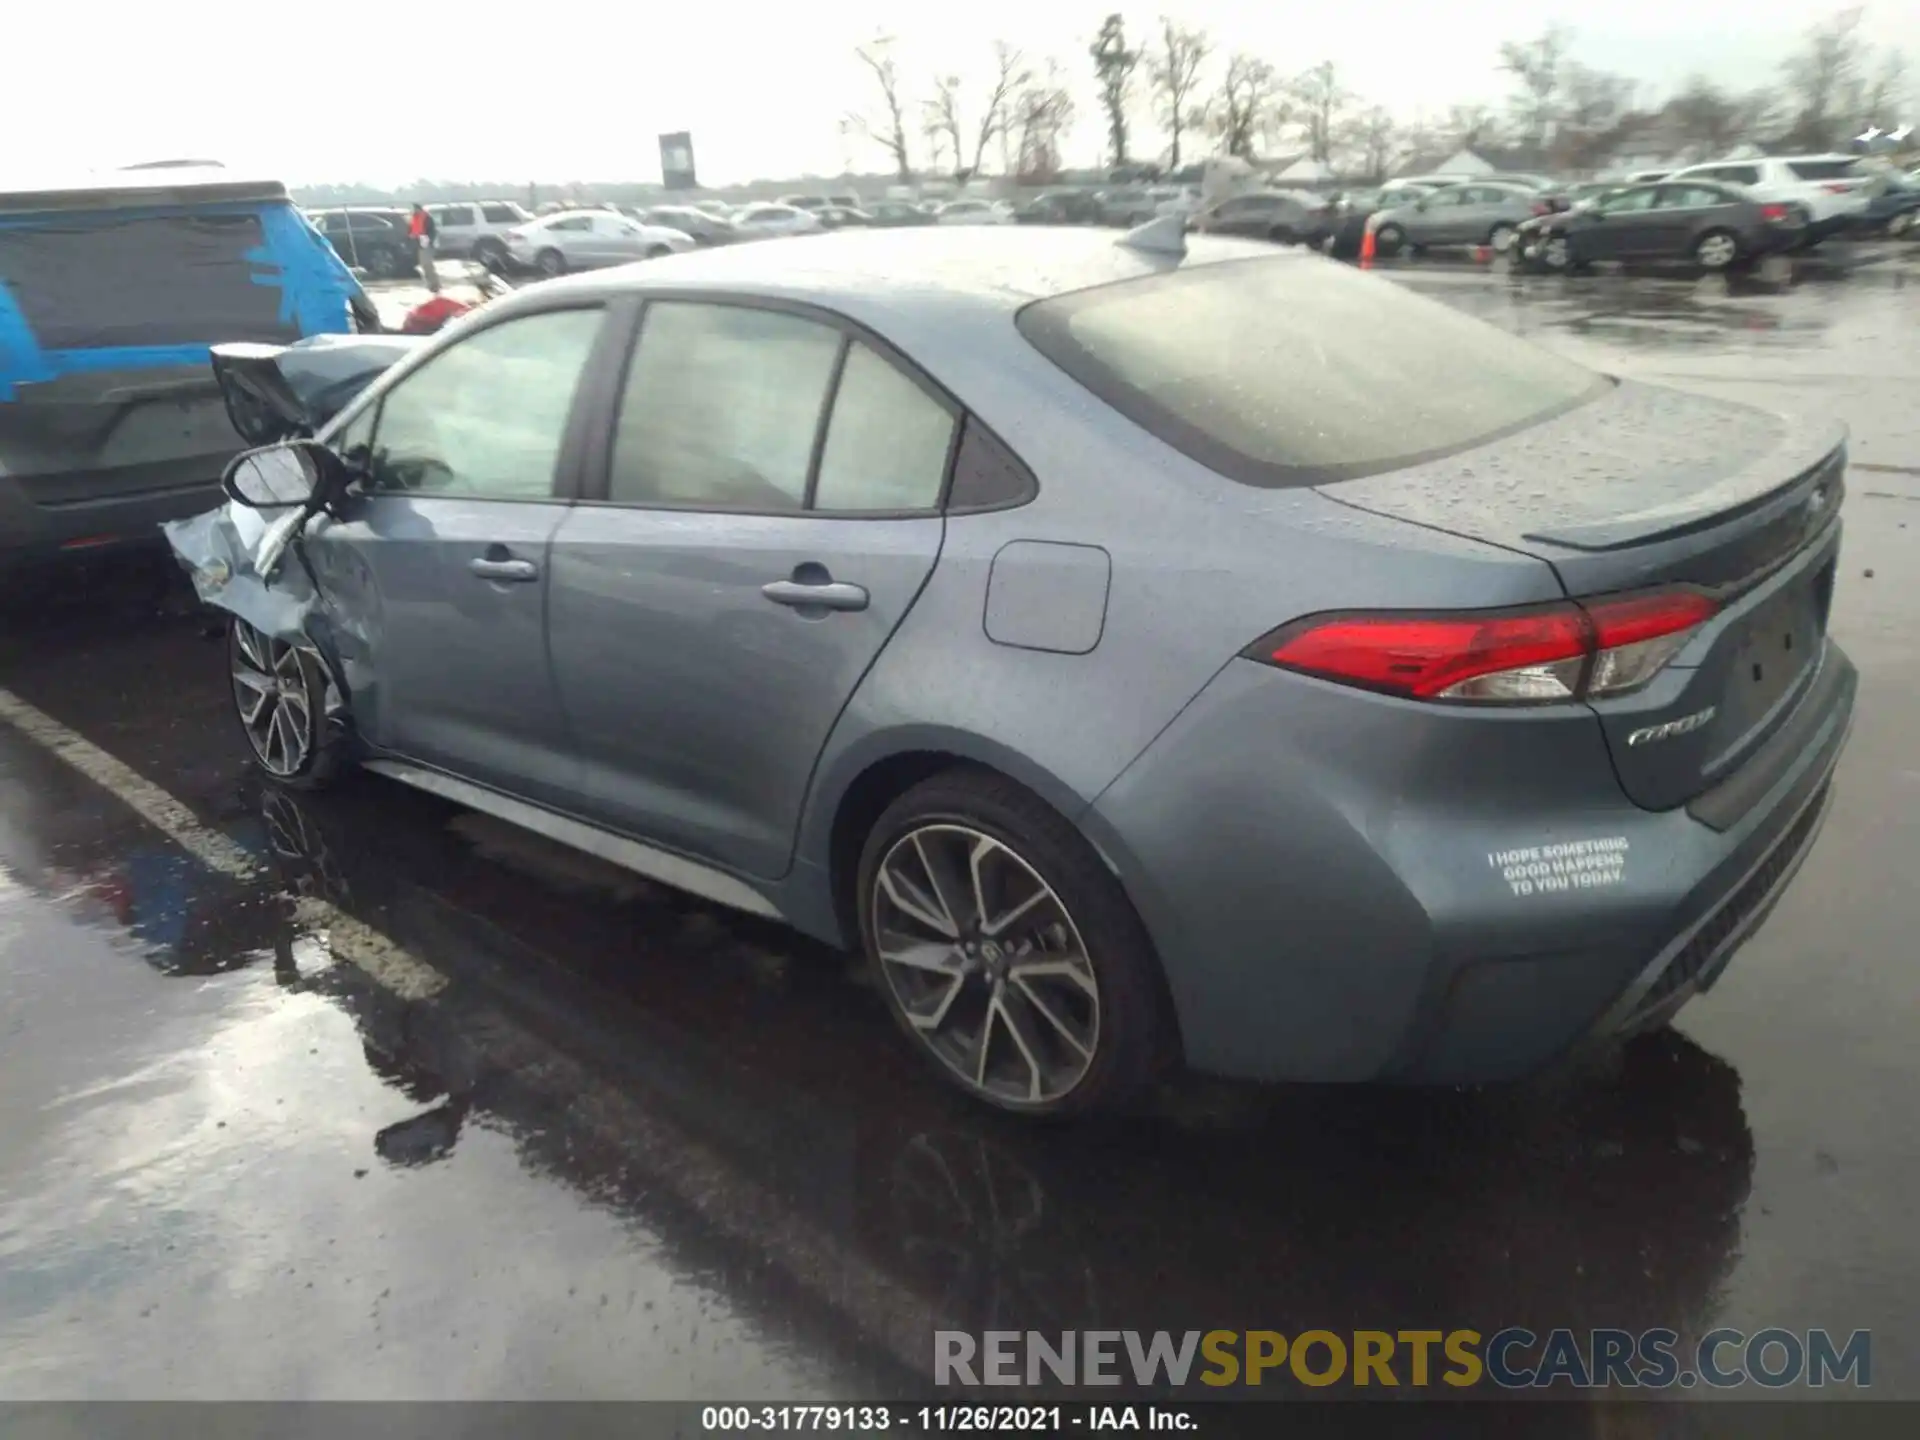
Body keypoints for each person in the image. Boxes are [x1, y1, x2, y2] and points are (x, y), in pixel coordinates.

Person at [408, 203, 440, 293]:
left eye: (415, 209)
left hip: (426, 242)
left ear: (419, 209)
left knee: (428, 265)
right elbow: (412, 230)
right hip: (419, 243)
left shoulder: (427, 218)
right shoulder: (415, 218)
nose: (414, 211)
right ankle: (431, 285)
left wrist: (428, 240)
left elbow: (432, 232)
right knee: (424, 265)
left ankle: (435, 285)